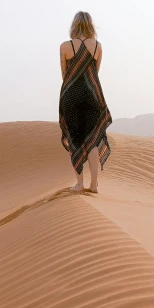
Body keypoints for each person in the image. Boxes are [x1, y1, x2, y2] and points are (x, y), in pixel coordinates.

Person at [59, 11, 112, 193]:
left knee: (75, 139)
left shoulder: (65, 46)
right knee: (93, 140)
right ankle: (94, 184)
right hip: (92, 96)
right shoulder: (98, 46)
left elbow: (65, 75)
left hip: (71, 96)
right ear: (90, 25)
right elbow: (95, 73)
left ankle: (79, 183)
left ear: (74, 25)